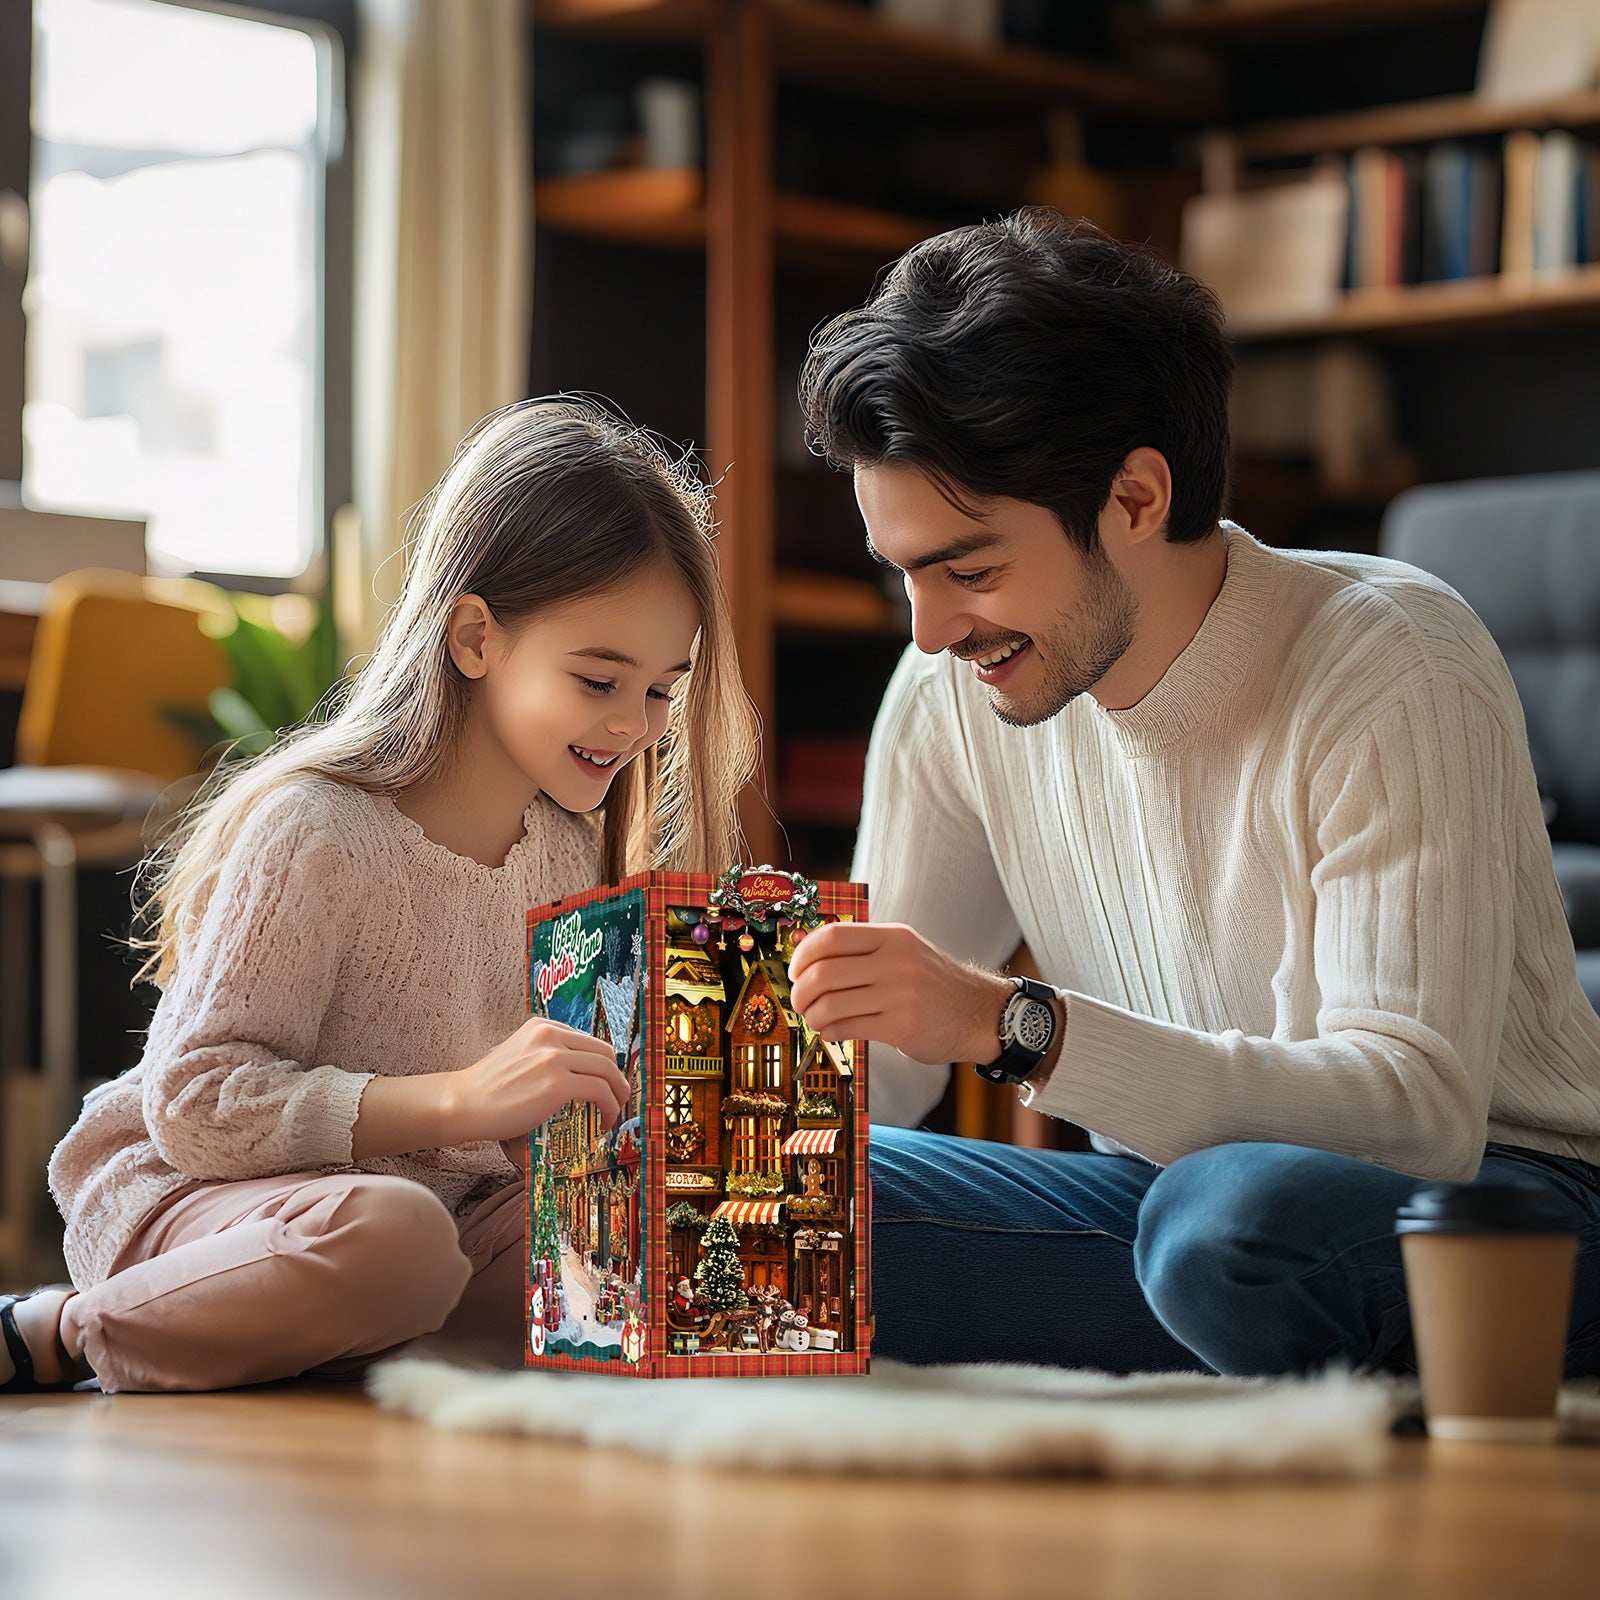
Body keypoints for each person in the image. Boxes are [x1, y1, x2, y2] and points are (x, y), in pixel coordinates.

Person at [787, 209, 1600, 1376]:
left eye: (968, 570)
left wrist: (1003, 1023)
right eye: (903, 576)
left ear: (1133, 499)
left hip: (1493, 1204)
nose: (929, 630)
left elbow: (1415, 1113)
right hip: (1163, 1198)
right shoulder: (947, 692)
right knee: (747, 1196)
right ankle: (1205, 1336)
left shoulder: (1389, 659)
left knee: (1232, 1230)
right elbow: (884, 1076)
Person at [0, 398, 757, 1395]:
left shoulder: (563, 856)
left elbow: (527, 1150)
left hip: (436, 1228)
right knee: (392, 1243)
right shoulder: (319, 831)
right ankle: (64, 1329)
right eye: (597, 679)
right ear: (475, 637)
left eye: (661, 689)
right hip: (215, 1202)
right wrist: (458, 1101)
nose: (634, 726)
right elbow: (193, 1106)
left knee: (659, 1240)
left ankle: (330, 1338)